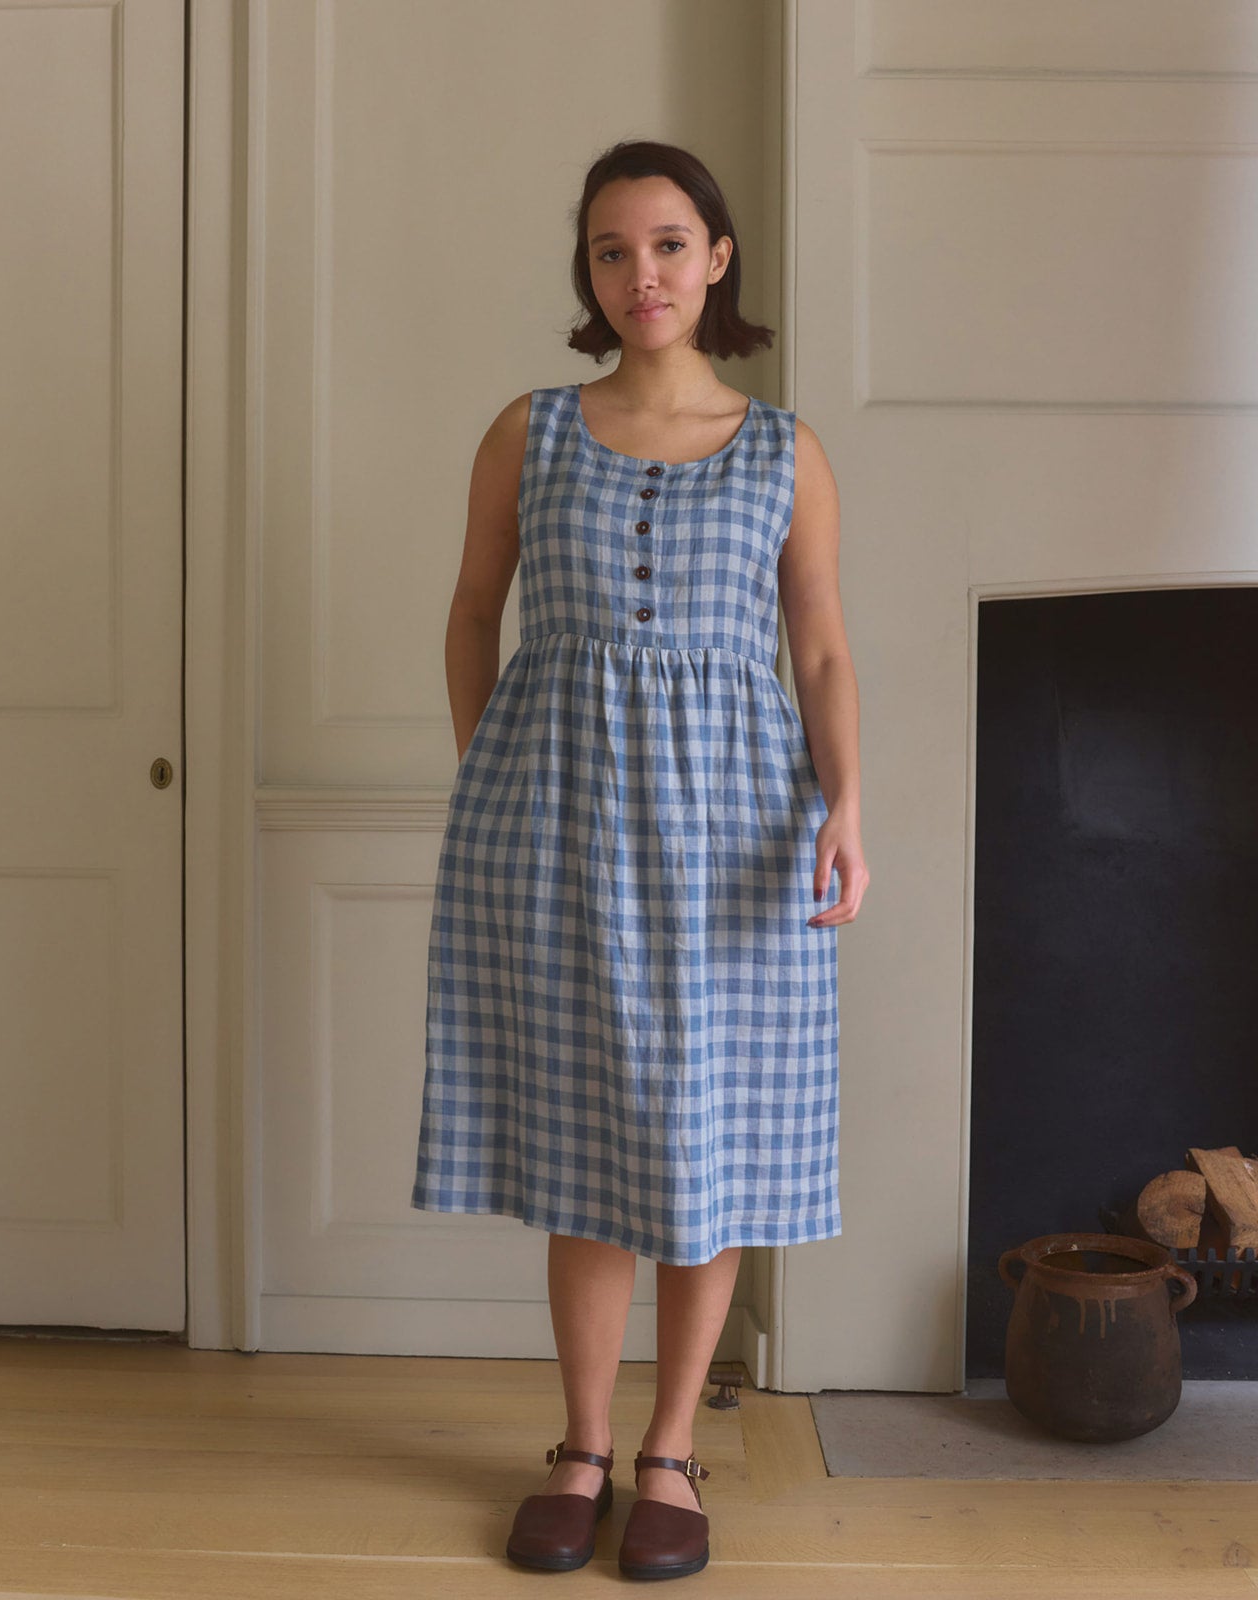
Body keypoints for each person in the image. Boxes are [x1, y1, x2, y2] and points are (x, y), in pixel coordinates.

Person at [410, 138, 868, 1581]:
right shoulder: (529, 431)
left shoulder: (785, 449)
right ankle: (582, 1448)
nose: (642, 273)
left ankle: (671, 1451)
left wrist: (847, 807)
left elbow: (822, 648)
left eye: (669, 244)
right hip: (557, 833)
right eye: (612, 250)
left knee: (703, 1140)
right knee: (585, 1136)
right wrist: (492, 771)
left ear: (716, 258)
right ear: (590, 274)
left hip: (738, 840)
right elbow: (473, 610)